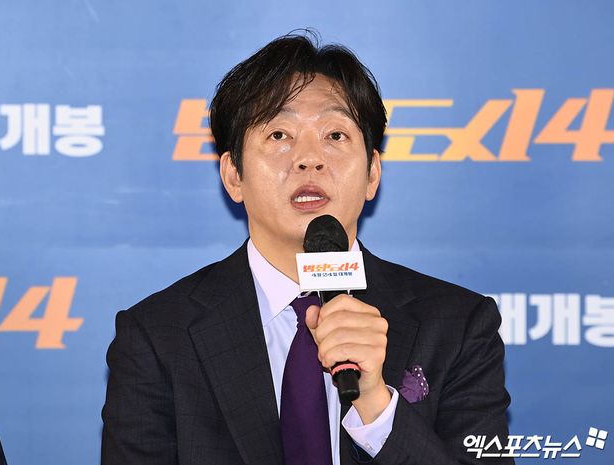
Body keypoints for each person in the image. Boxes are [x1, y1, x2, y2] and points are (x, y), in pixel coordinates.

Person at [101, 31, 512, 465]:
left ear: (372, 173)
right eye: (279, 134)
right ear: (234, 176)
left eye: (335, 135)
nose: (309, 159)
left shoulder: (458, 327)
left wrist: (376, 406)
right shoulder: (157, 337)